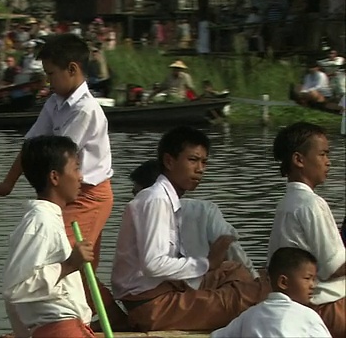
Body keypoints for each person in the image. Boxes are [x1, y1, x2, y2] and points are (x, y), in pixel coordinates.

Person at [0, 33, 123, 326]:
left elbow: (55, 159)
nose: (48, 82)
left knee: (66, 261)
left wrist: (42, 200)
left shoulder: (86, 109)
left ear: (72, 69)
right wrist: (8, 183)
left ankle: (107, 325)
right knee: (78, 268)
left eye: (51, 74)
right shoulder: (55, 102)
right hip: (68, 190)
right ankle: (105, 324)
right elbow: (32, 144)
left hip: (89, 194)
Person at [111, 126, 269, 332]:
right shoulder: (156, 200)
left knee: (234, 271)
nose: (200, 169)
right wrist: (207, 263)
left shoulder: (166, 199)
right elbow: (153, 264)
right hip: (153, 305)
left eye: (204, 162)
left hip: (164, 291)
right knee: (256, 294)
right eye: (193, 160)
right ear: (169, 161)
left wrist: (210, 266)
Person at [3, 136, 94, 338]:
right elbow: (15, 289)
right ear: (55, 177)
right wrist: (69, 265)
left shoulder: (49, 219)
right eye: (76, 168)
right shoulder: (40, 221)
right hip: (60, 329)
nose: (81, 177)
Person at [268, 122, 345, 337]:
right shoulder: (311, 204)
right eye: (322, 154)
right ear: (299, 159)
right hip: (328, 306)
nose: (328, 162)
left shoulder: (286, 203)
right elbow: (334, 267)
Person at [128, 159, 260, 280]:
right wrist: (255, 278)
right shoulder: (203, 209)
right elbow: (233, 248)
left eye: (136, 193)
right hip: (195, 284)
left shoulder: (141, 213)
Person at [212, 247, 331, 337]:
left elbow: (216, 336)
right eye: (307, 278)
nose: (313, 285)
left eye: (313, 280)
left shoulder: (249, 315)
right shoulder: (308, 316)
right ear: (283, 282)